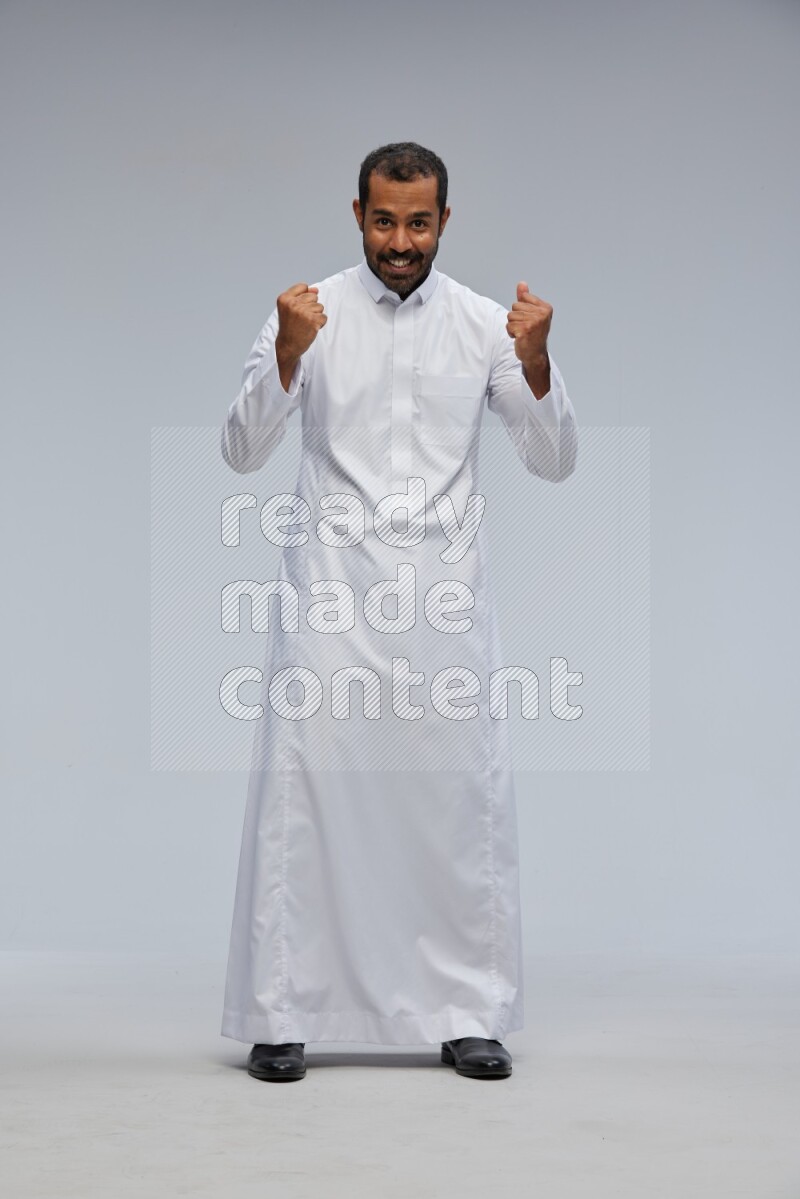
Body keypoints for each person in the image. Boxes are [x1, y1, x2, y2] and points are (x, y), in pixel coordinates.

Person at [220, 142, 578, 1082]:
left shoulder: (484, 325)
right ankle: (283, 1011)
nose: (401, 241)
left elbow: (552, 460)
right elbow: (241, 450)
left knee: (455, 807)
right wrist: (287, 353)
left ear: (445, 221)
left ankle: (467, 1011)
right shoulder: (309, 312)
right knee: (305, 800)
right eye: (384, 221)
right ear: (358, 215)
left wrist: (538, 363)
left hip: (442, 612)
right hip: (331, 603)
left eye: (419, 222)